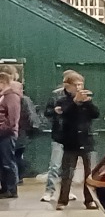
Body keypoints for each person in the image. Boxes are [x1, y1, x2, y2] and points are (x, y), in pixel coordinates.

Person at [53, 71, 100, 210]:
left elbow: (96, 114)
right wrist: (75, 102)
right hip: (70, 141)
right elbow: (65, 114)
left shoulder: (87, 100)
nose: (79, 87)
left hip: (86, 140)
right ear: (68, 87)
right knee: (67, 173)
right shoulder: (63, 101)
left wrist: (87, 103)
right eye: (76, 84)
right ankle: (62, 200)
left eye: (81, 84)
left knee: (89, 173)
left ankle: (89, 200)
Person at [41, 71, 75, 202]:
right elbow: (47, 112)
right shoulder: (56, 96)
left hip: (72, 135)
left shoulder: (79, 96)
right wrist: (54, 111)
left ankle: (67, 190)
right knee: (55, 165)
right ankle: (50, 191)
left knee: (68, 166)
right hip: (59, 134)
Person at [0, 70, 20, 199]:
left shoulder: (11, 97)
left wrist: (3, 128)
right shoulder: (3, 96)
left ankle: (12, 189)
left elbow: (12, 119)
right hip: (2, 133)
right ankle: (5, 187)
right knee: (2, 162)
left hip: (7, 134)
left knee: (8, 161)